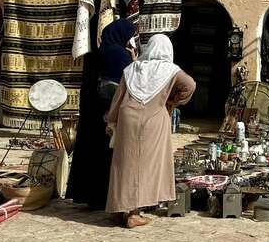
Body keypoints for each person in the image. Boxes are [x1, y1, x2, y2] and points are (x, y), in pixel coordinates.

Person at [105, 34, 196, 228]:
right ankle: (134, 214)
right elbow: (190, 85)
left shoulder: (132, 68)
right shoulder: (171, 70)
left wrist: (111, 120)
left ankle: (117, 211)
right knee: (144, 167)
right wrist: (172, 103)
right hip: (154, 120)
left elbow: (118, 97)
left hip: (127, 118)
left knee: (124, 164)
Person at [66, 19, 136, 209]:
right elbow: (127, 84)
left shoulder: (94, 54)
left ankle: (87, 196)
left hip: (90, 112)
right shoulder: (120, 55)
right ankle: (103, 197)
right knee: (105, 156)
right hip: (108, 113)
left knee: (89, 153)